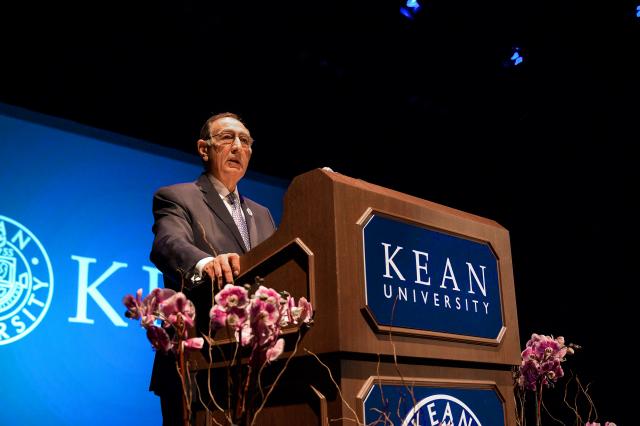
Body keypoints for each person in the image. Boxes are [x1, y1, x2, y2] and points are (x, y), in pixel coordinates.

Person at [148, 112, 277, 425]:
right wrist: (205, 263)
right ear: (204, 149)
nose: (237, 147)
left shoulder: (262, 214)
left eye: (244, 141)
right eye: (227, 139)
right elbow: (167, 243)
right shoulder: (177, 197)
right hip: (198, 359)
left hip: (256, 367)